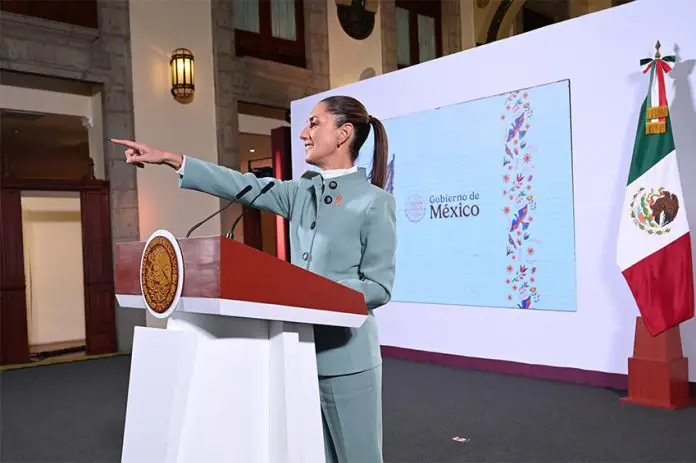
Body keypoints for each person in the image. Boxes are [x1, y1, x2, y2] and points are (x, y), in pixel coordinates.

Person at [111, 95, 397, 463]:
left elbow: (378, 286)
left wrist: (314, 291)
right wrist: (171, 159)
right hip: (298, 355)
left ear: (344, 133)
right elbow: (238, 184)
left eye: (314, 123)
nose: (304, 134)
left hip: (347, 359)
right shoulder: (300, 192)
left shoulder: (375, 202)